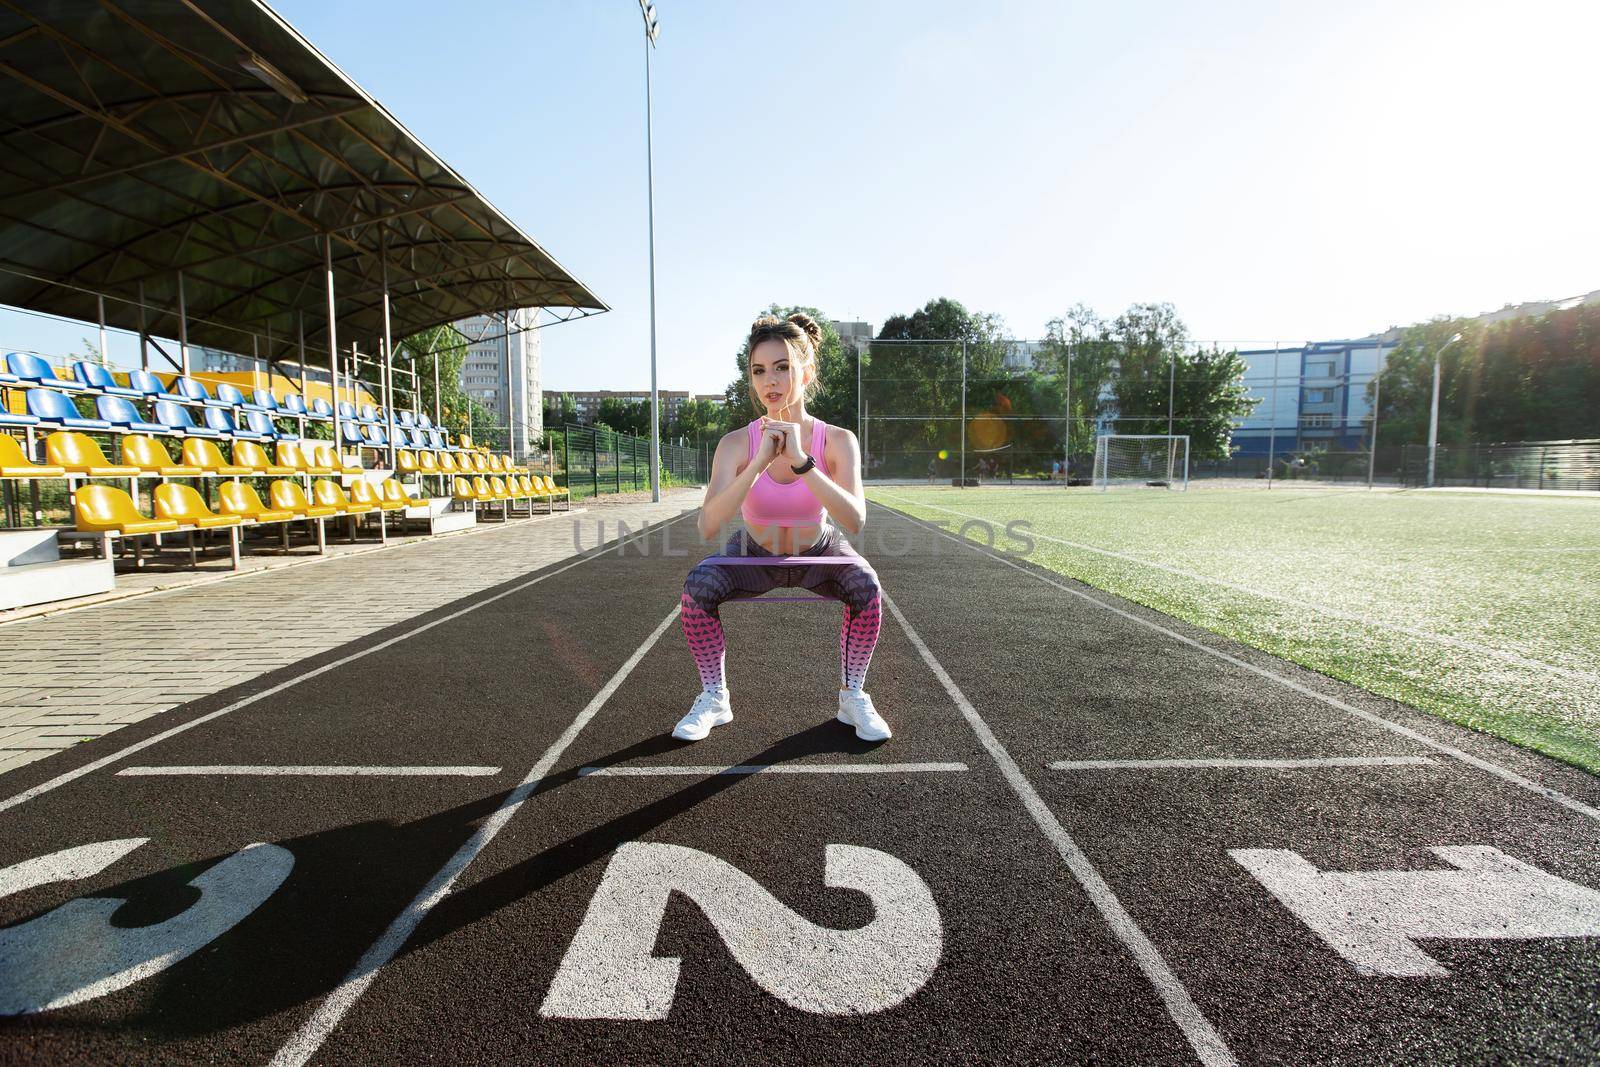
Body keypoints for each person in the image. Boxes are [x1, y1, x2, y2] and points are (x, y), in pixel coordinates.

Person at [674, 313, 889, 743]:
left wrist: (802, 462)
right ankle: (715, 697)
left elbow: (855, 520)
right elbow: (707, 525)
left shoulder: (837, 439)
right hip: (755, 554)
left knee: (866, 586)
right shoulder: (736, 443)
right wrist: (756, 464)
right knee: (697, 589)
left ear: (807, 372)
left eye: (783, 367)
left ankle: (853, 697)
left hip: (819, 552)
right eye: (759, 370)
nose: (769, 380)